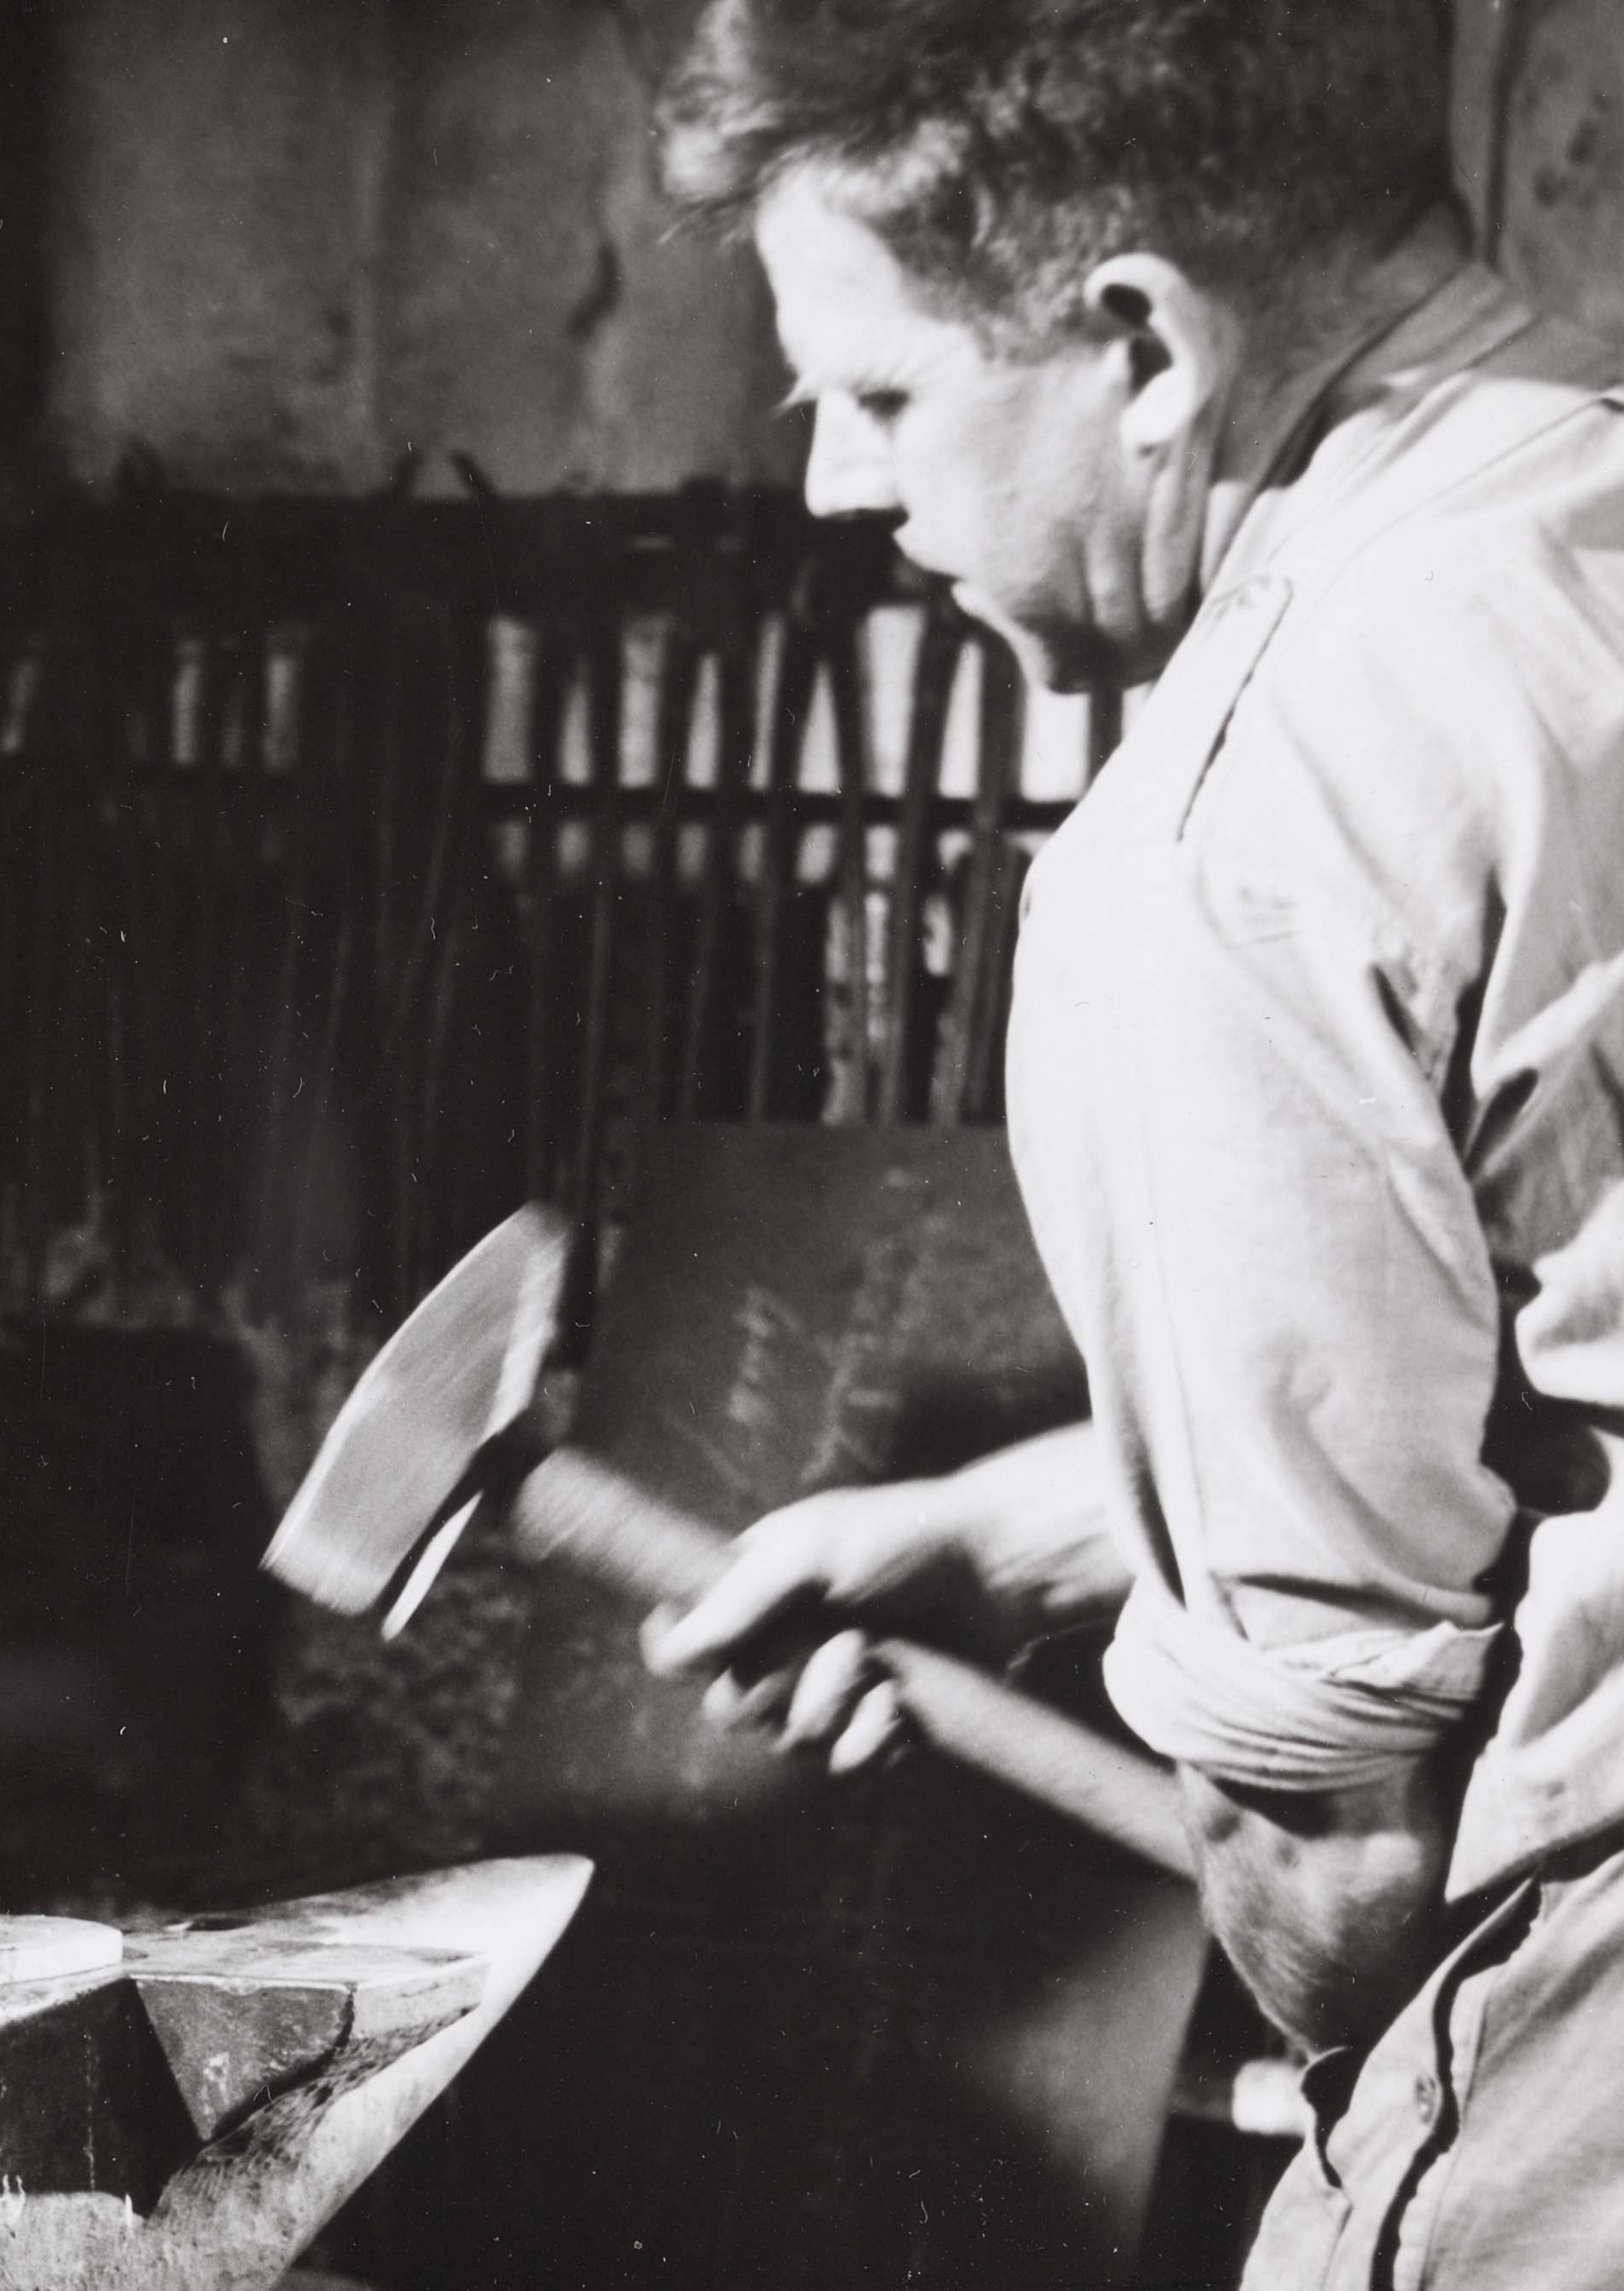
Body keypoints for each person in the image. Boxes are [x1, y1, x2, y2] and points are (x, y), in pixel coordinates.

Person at [637, 3, 1624, 2280]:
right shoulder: (1569, 495)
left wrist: (1375, 2091)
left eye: (880, 395)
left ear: (1143, 345)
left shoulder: (1225, 842)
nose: (837, 487)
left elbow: (1329, 1854)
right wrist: (1013, 1535)